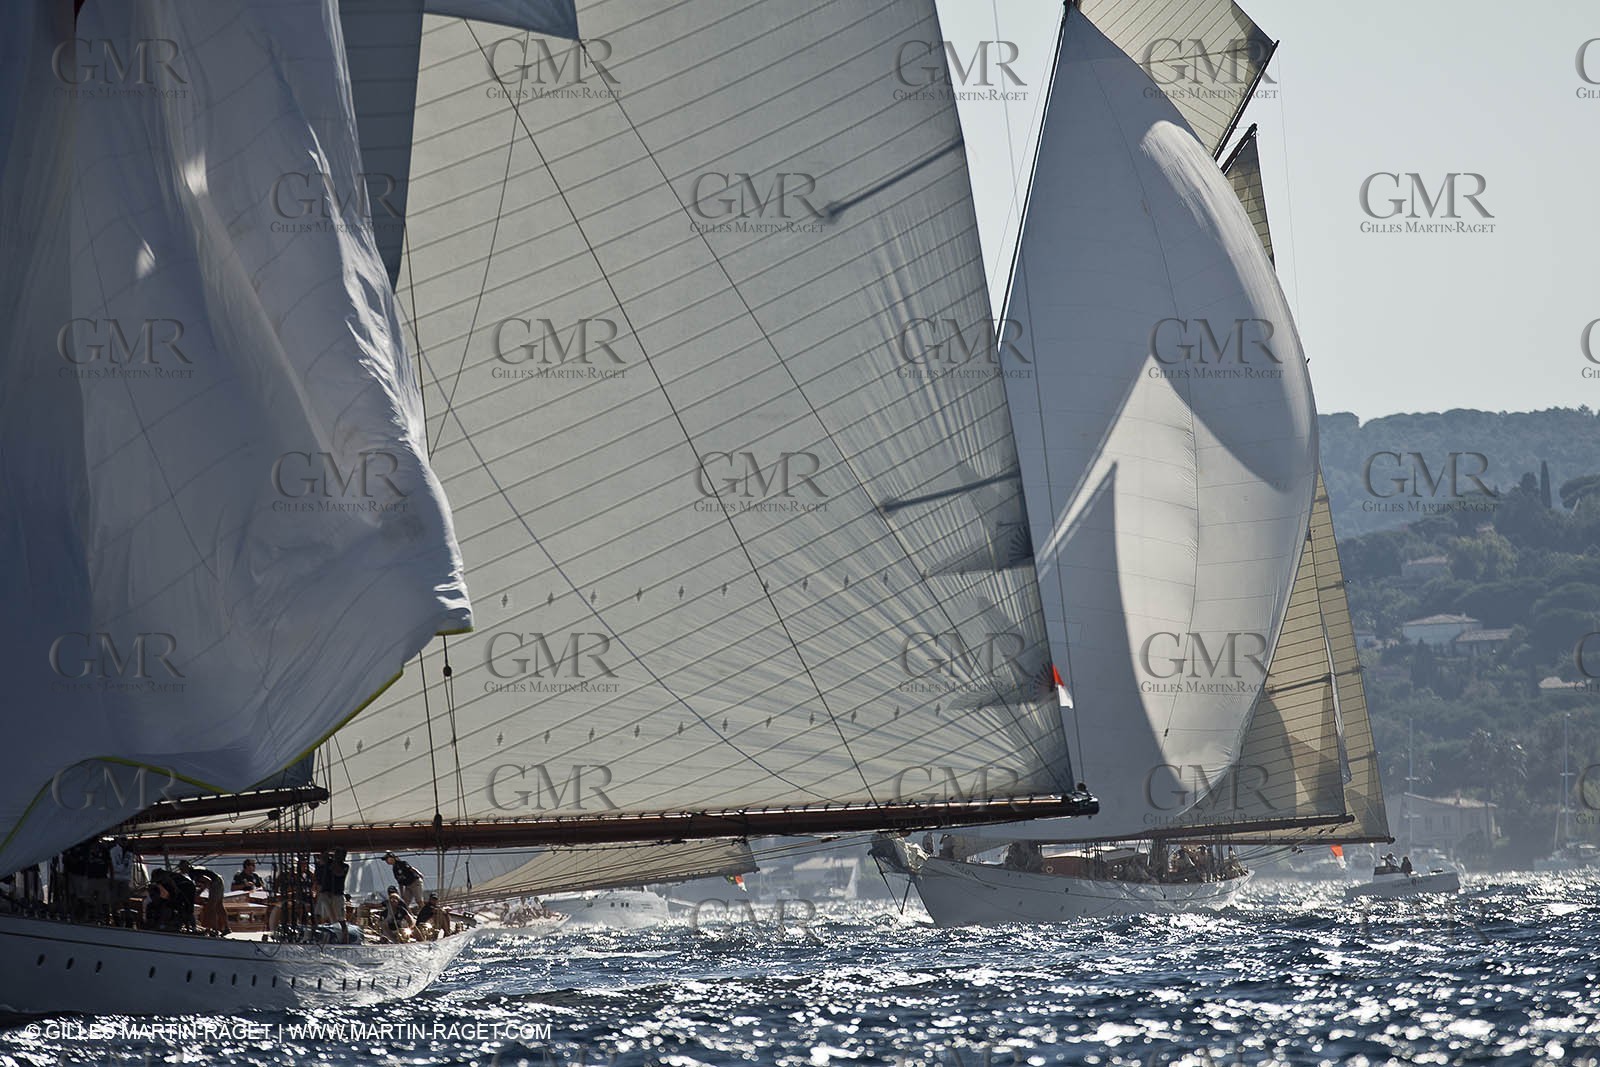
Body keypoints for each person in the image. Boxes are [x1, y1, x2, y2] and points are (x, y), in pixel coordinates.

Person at [179, 861, 230, 934]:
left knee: (211, 907)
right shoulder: (195, 871)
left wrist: (199, 892)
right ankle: (226, 927)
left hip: (215, 882)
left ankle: (213, 929)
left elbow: (207, 881)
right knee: (219, 905)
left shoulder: (193, 873)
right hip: (218, 880)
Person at [315, 849, 349, 923]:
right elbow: (321, 864)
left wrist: (332, 861)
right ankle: (318, 929)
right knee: (319, 914)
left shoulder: (345, 866)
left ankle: (341, 932)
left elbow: (338, 872)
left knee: (339, 918)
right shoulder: (328, 863)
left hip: (337, 895)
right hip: (325, 893)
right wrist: (325, 858)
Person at [108, 838, 136, 925]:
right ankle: (116, 919)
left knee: (126, 901)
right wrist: (123, 867)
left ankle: (128, 919)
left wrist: (122, 868)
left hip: (125, 879)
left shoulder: (130, 853)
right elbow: (115, 867)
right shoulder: (113, 851)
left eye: (125, 840)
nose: (125, 842)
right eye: (123, 840)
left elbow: (128, 868)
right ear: (118, 841)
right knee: (114, 901)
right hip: (115, 879)